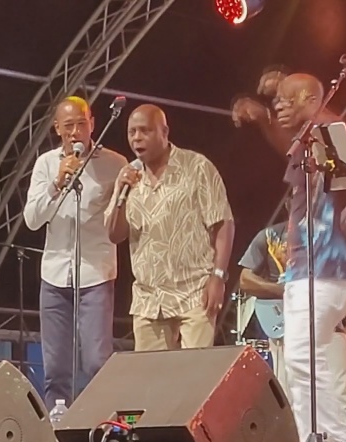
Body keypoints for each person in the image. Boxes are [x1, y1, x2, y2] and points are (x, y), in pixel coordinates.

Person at [270, 73, 346, 442]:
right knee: (327, 358)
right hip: (315, 268)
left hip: (322, 266)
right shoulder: (308, 139)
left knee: (300, 356)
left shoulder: (328, 133)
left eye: (285, 99)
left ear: (309, 97)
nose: (277, 105)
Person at [23, 96, 127, 408]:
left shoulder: (114, 164)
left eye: (82, 123)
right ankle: (58, 424)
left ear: (93, 123)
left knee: (96, 361)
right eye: (68, 126)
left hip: (96, 272)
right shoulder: (46, 164)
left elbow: (122, 219)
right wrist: (57, 183)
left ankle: (101, 419)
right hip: (55, 274)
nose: (76, 131)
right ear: (57, 129)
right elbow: (31, 220)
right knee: (55, 366)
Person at [107, 104, 234, 352]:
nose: (136, 138)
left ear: (164, 132)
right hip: (148, 298)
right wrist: (120, 193)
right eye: (132, 132)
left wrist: (218, 277)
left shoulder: (197, 167)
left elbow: (223, 223)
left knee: (194, 378)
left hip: (195, 292)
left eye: (145, 131)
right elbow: (114, 234)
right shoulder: (129, 176)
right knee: (152, 383)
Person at [237, 197, 291, 394]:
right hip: (283, 319)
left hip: (316, 320)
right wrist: (281, 291)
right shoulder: (270, 235)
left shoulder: (324, 236)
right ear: (289, 203)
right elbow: (245, 280)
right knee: (287, 385)